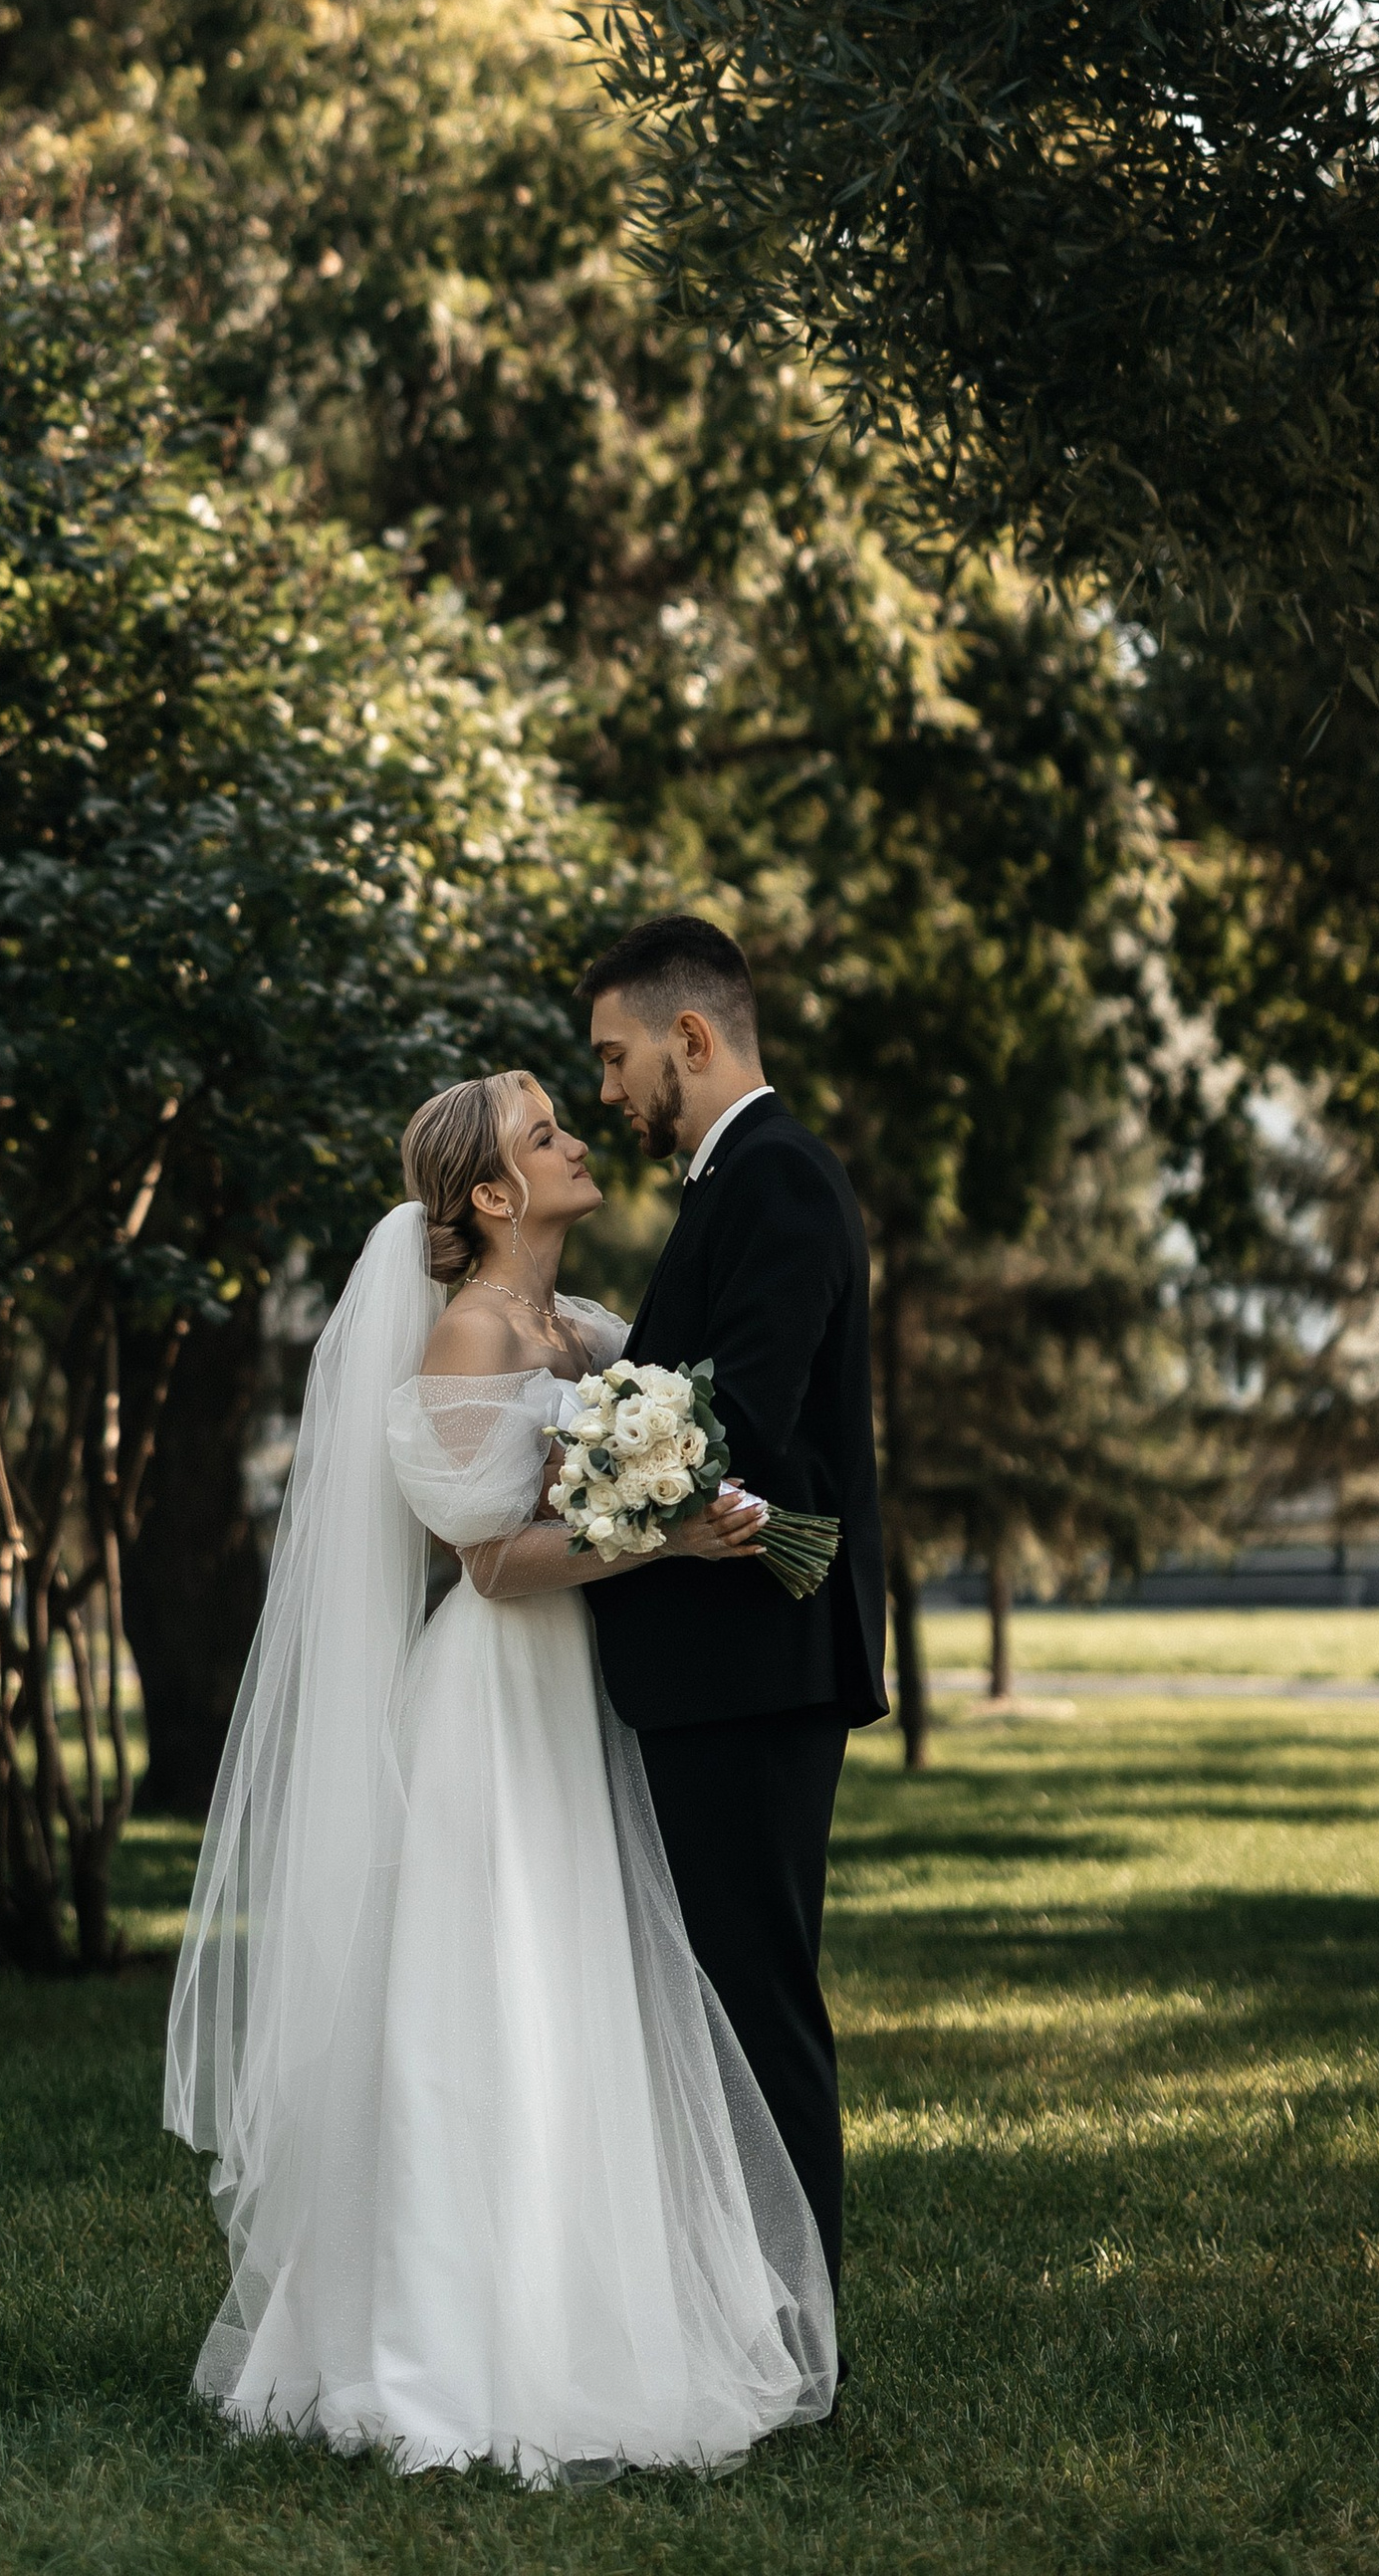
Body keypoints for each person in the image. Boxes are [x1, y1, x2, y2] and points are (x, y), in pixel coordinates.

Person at [162, 1068, 837, 2485]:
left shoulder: (573, 1325)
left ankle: (584, 2304)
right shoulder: (470, 1334)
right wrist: (663, 1538)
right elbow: (489, 1562)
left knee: (576, 1975)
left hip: (568, 1693)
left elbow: (625, 1435)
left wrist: (675, 1490)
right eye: (547, 1136)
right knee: (491, 1986)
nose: (578, 1142)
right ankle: (445, 2342)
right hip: (491, 1692)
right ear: (489, 1195)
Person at [580, 914, 887, 2300]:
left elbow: (743, 1417)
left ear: (687, 1038)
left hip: (755, 1664)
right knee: (721, 2002)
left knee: (758, 2006)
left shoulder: (778, 1183)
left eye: (614, 1055)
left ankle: (801, 2338)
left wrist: (575, 1464)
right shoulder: (732, 1182)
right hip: (719, 1666)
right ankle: (742, 2316)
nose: (605, 1091)